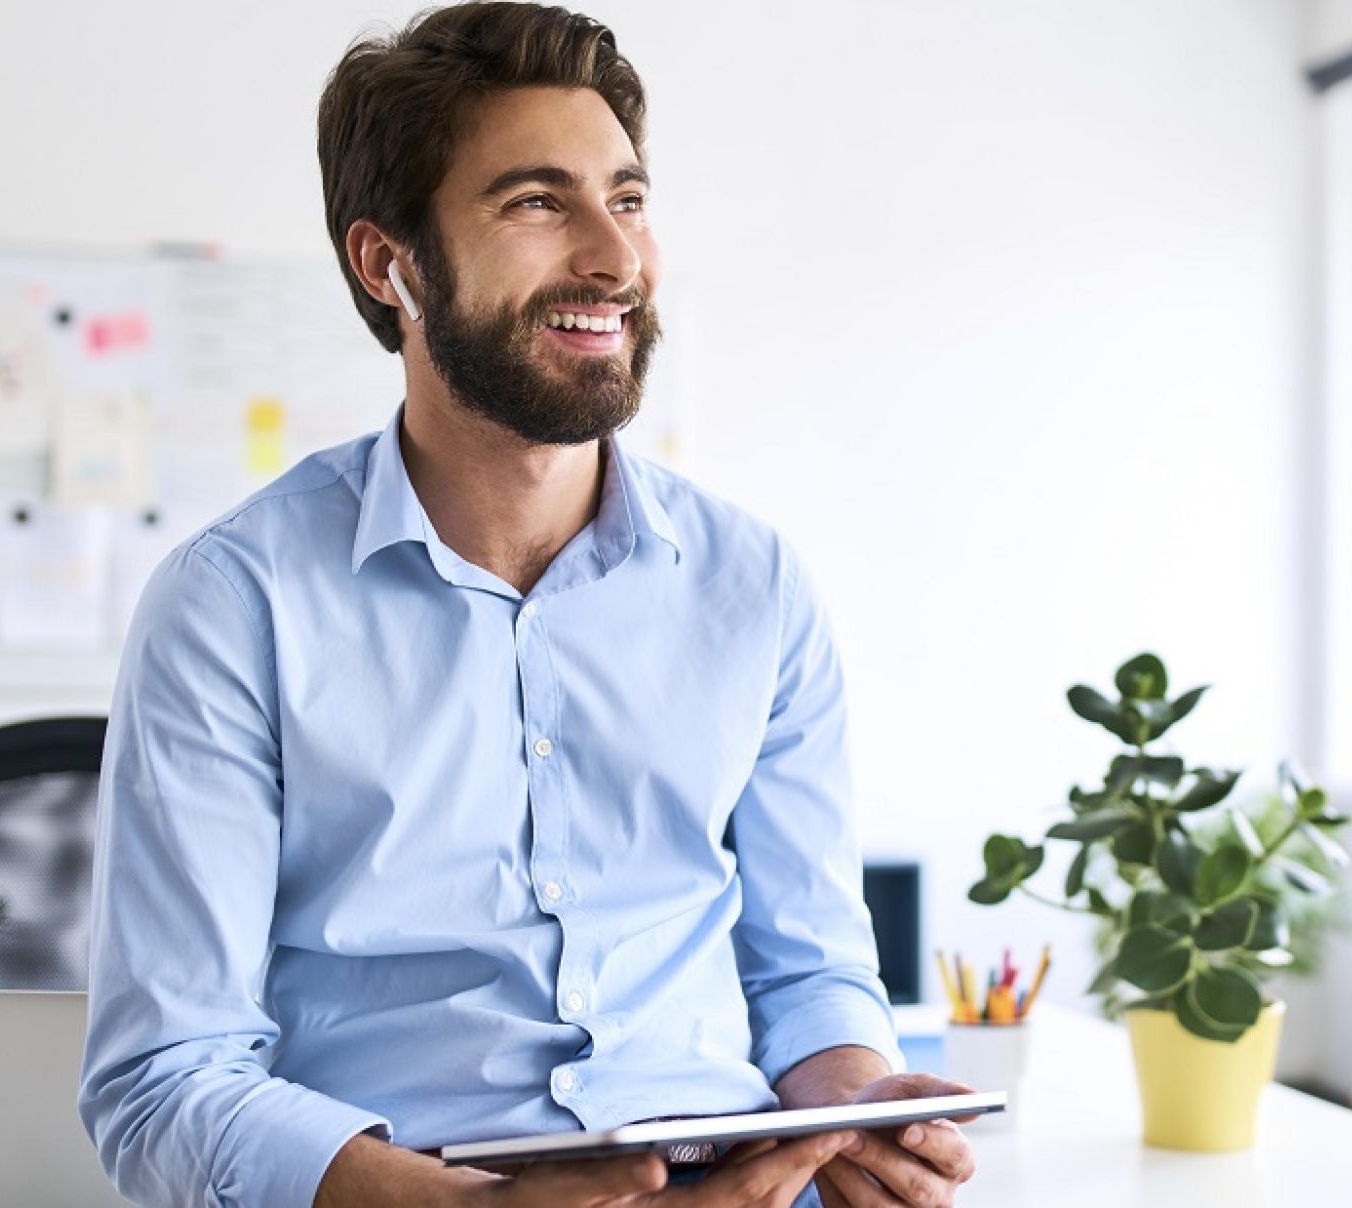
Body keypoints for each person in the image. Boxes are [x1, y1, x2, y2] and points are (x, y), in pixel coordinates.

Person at [76, 5, 978, 1206]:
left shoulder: (752, 584)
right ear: (387, 262)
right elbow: (165, 1078)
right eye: (538, 203)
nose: (615, 260)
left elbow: (809, 973)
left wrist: (858, 1099)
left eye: (630, 199)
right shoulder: (234, 604)